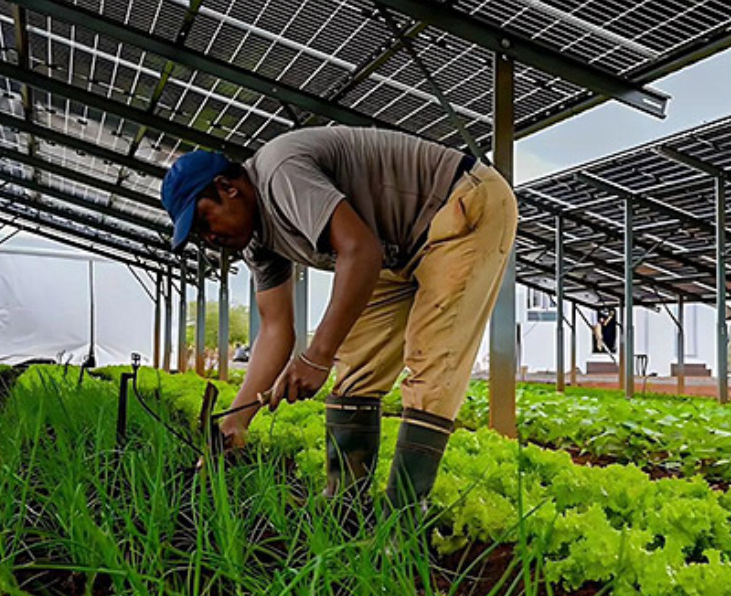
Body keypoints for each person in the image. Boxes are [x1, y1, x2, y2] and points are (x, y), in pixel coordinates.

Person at [160, 127, 517, 516]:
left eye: (204, 221)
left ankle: (403, 520)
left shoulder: (280, 175)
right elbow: (276, 329)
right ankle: (345, 503)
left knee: (433, 362)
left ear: (227, 187)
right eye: (198, 235)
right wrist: (237, 421)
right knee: (356, 371)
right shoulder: (257, 243)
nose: (209, 238)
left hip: (460, 205)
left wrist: (316, 357)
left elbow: (358, 251)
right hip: (395, 251)